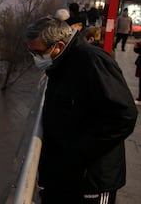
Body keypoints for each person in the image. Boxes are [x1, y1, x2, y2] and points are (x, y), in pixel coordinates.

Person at [25, 16, 137, 204]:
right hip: (67, 175)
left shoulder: (91, 61)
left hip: (91, 179)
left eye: (38, 52)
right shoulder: (61, 63)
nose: (35, 58)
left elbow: (123, 116)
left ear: (58, 46)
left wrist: (79, 150)